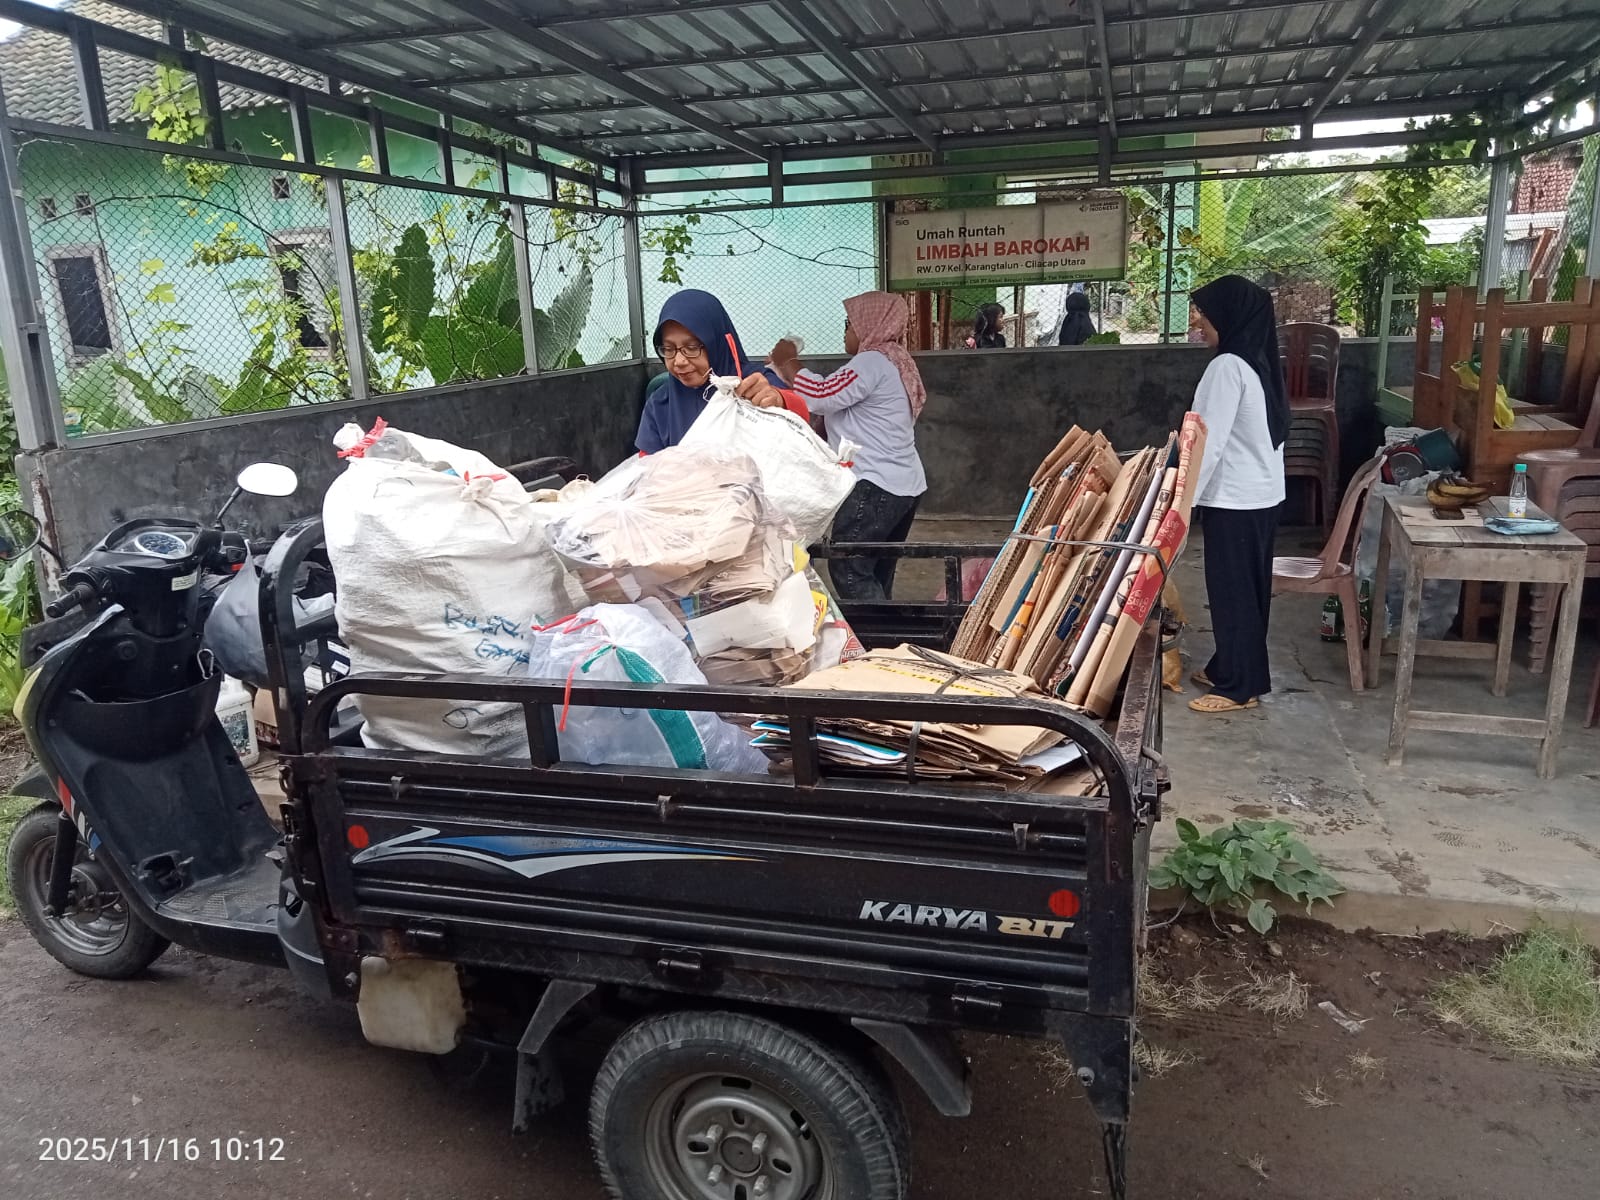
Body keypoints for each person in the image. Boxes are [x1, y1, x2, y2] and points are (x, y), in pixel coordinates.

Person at [769, 291, 927, 601]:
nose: (845, 331)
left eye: (849, 324)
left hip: (875, 486)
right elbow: (837, 400)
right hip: (904, 486)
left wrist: (788, 361)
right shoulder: (896, 361)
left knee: (850, 571)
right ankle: (884, 628)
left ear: (869, 325)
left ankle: (877, 630)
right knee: (875, 572)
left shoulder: (872, 361)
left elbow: (821, 395)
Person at [1185, 275, 1289, 715]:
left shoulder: (1227, 367)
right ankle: (1229, 665)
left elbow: (1206, 441)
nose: (1198, 322)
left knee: (1232, 592)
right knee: (1248, 588)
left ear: (1229, 317)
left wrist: (1182, 501)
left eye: (1205, 314)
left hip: (1234, 498)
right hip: (1260, 494)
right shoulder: (1257, 362)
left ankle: (1239, 687)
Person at [635, 289, 804, 453]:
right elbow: (647, 463)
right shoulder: (660, 403)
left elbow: (801, 413)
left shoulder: (753, 382)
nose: (679, 361)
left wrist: (778, 399)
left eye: (692, 347)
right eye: (668, 349)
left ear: (717, 343)